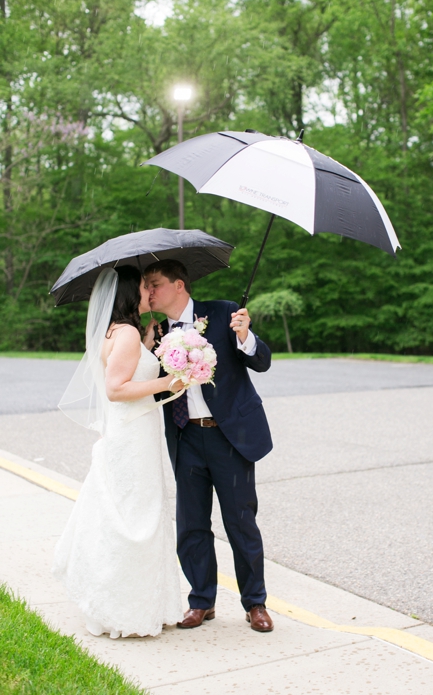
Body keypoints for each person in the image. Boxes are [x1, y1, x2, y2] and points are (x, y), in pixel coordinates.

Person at [143, 259, 275, 633]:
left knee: (240, 521)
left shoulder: (223, 313)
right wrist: (149, 348)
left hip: (228, 435)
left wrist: (245, 336)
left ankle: (256, 603)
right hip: (185, 436)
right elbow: (150, 391)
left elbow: (262, 361)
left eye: (155, 284)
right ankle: (201, 601)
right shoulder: (155, 332)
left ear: (179, 285)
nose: (149, 292)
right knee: (190, 524)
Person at [53, 266, 185, 638]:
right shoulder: (125, 333)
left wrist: (148, 345)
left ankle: (115, 603)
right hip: (133, 438)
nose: (150, 293)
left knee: (122, 515)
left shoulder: (118, 332)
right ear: (131, 292)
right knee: (137, 517)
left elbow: (126, 372)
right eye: (145, 287)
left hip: (127, 432)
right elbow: (116, 388)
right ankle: (127, 608)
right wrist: (167, 380)